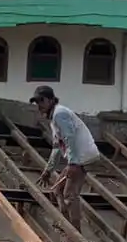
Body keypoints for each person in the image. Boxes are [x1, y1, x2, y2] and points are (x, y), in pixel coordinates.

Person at [31, 85, 101, 233]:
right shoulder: (54, 120)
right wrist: (48, 171)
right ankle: (66, 225)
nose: (39, 106)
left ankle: (75, 232)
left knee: (70, 194)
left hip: (83, 157)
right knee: (57, 189)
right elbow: (57, 147)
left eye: (41, 101)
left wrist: (73, 163)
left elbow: (70, 138)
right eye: (36, 102)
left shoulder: (59, 114)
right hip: (78, 158)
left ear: (50, 100)